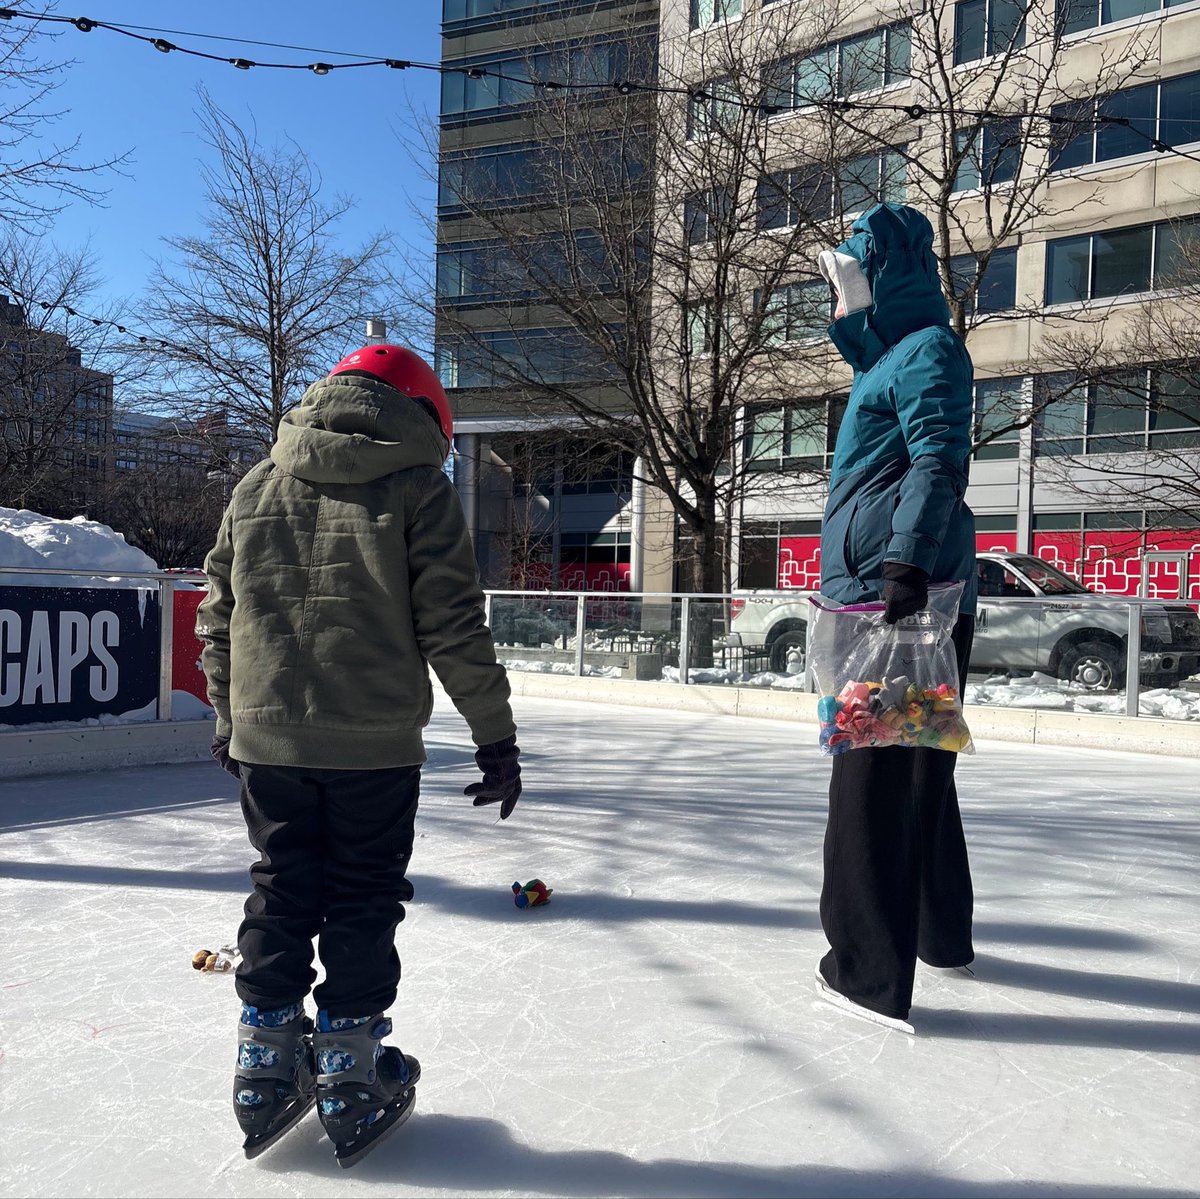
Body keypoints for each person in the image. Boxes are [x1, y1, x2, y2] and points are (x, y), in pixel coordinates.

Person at [196, 344, 521, 1166]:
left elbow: (218, 614)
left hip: (268, 736)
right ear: (420, 414)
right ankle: (348, 1069)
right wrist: (496, 736)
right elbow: (453, 623)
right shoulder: (420, 488)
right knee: (362, 898)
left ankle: (263, 1064)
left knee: (281, 887)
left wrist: (231, 717)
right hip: (372, 746)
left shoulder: (256, 482)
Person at [813, 204, 977, 1035]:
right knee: (919, 774)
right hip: (900, 596)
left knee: (872, 783)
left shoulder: (930, 351)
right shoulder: (893, 359)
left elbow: (940, 453)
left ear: (889, 276)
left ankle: (864, 971)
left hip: (899, 602)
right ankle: (938, 933)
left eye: (850, 276)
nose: (838, 292)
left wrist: (904, 562)